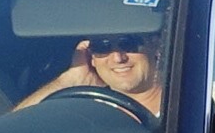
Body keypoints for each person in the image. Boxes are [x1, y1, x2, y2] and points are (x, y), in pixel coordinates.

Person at [18, 33, 166, 120]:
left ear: (155, 47)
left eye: (128, 44)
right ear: (92, 58)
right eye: (103, 47)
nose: (118, 58)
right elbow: (13, 129)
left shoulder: (185, 104)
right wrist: (69, 80)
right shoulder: (81, 112)